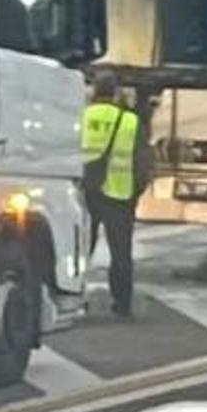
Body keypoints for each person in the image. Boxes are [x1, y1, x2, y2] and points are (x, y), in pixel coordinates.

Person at [81, 78, 143, 318]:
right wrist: (136, 192)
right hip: (119, 194)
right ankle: (122, 304)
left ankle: (76, 298)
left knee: (80, 250)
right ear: (116, 93)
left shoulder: (81, 117)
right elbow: (143, 162)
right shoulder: (130, 121)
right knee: (121, 254)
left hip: (86, 192)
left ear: (94, 92)